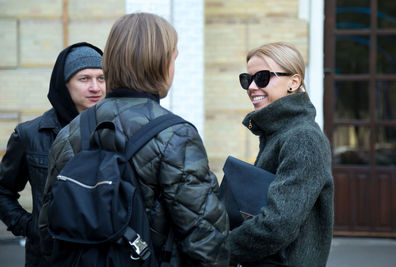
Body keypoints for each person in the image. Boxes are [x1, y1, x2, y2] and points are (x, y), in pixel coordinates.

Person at [39, 12, 230, 266]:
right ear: (160, 63)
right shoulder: (176, 135)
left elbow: (48, 232)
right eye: (174, 58)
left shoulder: (70, 132)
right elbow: (207, 242)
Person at [0, 42, 105, 267]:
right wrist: (31, 227)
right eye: (84, 78)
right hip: (48, 259)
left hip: (106, 257)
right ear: (64, 84)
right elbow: (2, 191)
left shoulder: (117, 130)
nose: (95, 87)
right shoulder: (30, 134)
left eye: (102, 78)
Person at [228, 42, 334, 266]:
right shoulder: (279, 133)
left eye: (263, 77)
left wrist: (219, 248)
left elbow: (278, 224)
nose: (252, 87)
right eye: (247, 79)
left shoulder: (303, 138)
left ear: (294, 82)